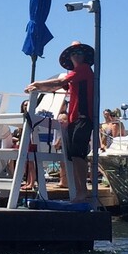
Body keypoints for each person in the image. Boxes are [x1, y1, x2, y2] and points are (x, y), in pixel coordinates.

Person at [26, 42, 96, 203]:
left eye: (80, 52)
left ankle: (82, 191)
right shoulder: (74, 76)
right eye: (74, 53)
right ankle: (79, 190)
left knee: (78, 155)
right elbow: (57, 87)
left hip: (83, 118)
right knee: (73, 156)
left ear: (84, 56)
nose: (77, 55)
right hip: (74, 120)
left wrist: (37, 84)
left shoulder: (83, 69)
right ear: (70, 57)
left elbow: (58, 83)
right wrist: (37, 88)